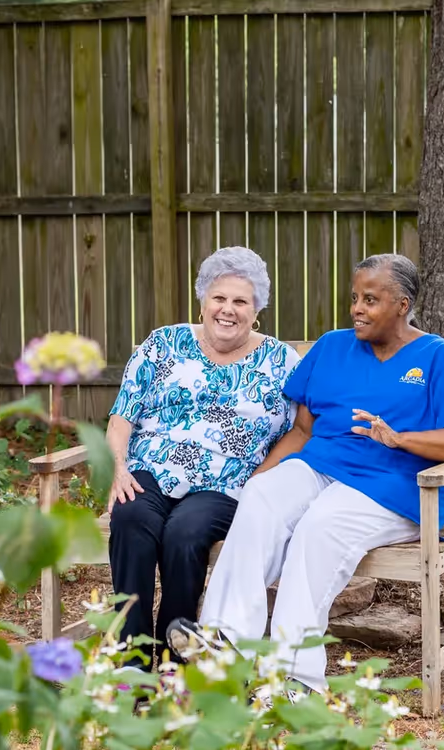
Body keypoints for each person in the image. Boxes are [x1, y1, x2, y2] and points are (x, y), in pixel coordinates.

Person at [165, 253, 444, 696]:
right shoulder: (332, 347)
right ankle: (225, 648)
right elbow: (303, 429)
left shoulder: (441, 358)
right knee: (263, 496)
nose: (357, 308)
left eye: (371, 300)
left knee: (319, 527)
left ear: (402, 304)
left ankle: (294, 679)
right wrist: (258, 480)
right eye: (355, 297)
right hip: (321, 467)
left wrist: (401, 440)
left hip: (395, 485)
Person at [106, 246, 300, 668]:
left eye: (240, 301)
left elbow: (300, 431)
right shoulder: (163, 343)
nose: (227, 310)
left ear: (257, 309)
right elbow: (122, 416)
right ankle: (133, 662)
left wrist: (261, 479)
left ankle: (180, 659)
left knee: (185, 534)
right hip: (151, 469)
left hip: (226, 482)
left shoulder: (282, 362)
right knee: (131, 518)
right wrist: (118, 468)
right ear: (202, 301)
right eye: (219, 298)